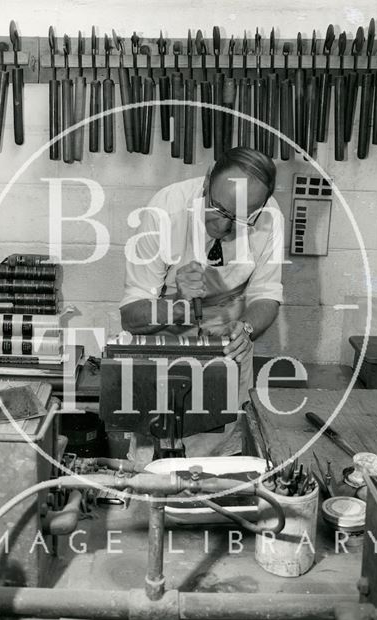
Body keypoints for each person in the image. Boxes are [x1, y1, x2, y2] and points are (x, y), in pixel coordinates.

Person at [119, 146, 284, 460]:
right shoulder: (166, 210)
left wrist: (246, 329)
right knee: (153, 470)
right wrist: (179, 305)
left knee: (223, 470)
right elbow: (131, 314)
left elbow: (268, 294)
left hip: (227, 356)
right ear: (207, 181)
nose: (223, 227)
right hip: (163, 354)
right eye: (219, 209)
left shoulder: (268, 217)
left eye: (239, 219)